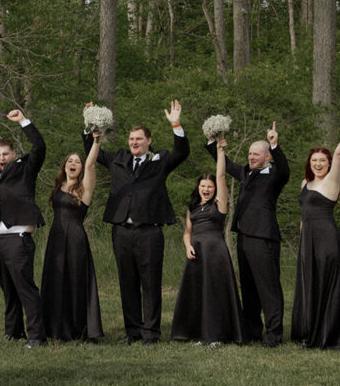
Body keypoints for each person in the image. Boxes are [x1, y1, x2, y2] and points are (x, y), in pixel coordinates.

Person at [84, 100, 189, 344]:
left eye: (139, 139)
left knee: (150, 283)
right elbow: (91, 149)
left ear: (148, 141)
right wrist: (89, 124)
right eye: (131, 139)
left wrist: (176, 125)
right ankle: (132, 332)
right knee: (127, 283)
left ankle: (151, 333)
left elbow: (182, 153)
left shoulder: (160, 160)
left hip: (149, 231)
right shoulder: (117, 158)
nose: (134, 143)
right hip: (121, 231)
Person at [290, 115, 340, 351]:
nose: (318, 164)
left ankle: (333, 335)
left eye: (322, 160)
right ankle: (311, 330)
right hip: (308, 243)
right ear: (310, 162)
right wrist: (302, 240)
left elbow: (339, 152)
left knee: (329, 286)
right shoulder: (305, 184)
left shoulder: (332, 182)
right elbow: (303, 216)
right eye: (314, 160)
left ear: (328, 164)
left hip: (328, 243)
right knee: (310, 285)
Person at [205, 122, 289, 347]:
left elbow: (285, 168)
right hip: (243, 236)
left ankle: (274, 335)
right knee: (249, 287)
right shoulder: (246, 173)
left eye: (255, 154)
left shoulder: (275, 174)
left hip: (263, 238)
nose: (251, 157)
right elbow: (227, 165)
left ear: (267, 157)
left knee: (268, 287)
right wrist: (215, 144)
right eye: (250, 154)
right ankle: (252, 331)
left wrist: (274, 144)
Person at [0, 110, 47, 347]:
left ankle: (36, 335)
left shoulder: (26, 167)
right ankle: (13, 331)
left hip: (19, 237)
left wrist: (24, 121)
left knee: (25, 287)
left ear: (14, 154)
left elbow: (39, 146)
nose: (1, 158)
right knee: (8, 288)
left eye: (5, 154)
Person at [171, 137, 244, 345]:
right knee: (198, 293)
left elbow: (221, 175)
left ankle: (218, 335)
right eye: (203, 186)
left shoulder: (219, 205)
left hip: (215, 252)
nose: (206, 189)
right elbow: (187, 232)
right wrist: (187, 246)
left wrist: (220, 152)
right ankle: (200, 334)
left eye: (209, 186)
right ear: (198, 187)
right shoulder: (192, 207)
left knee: (215, 292)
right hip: (197, 253)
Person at [41, 125, 104, 342]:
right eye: (70, 161)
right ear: (64, 166)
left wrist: (96, 141)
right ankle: (54, 328)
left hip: (75, 238)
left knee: (75, 281)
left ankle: (78, 328)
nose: (74, 164)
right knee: (56, 280)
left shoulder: (84, 188)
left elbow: (91, 163)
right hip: (56, 238)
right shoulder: (59, 186)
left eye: (77, 161)